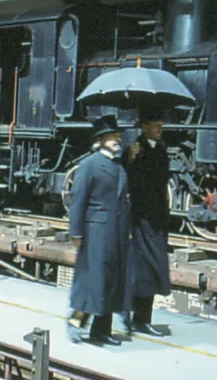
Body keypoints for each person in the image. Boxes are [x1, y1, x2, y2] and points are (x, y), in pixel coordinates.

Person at [66, 114, 131, 346]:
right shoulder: (89, 165)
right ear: (100, 139)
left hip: (116, 230)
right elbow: (78, 201)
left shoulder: (118, 164)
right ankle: (76, 321)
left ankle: (101, 331)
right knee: (95, 279)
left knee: (111, 280)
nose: (117, 140)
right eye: (112, 137)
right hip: (95, 231)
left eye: (118, 136)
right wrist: (76, 232)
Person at [121, 106, 172, 336]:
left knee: (152, 268)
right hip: (142, 219)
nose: (160, 129)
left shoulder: (160, 148)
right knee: (143, 269)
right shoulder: (136, 150)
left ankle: (139, 317)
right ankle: (137, 318)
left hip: (156, 219)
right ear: (144, 127)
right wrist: (129, 160)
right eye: (156, 126)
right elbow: (129, 181)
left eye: (161, 126)